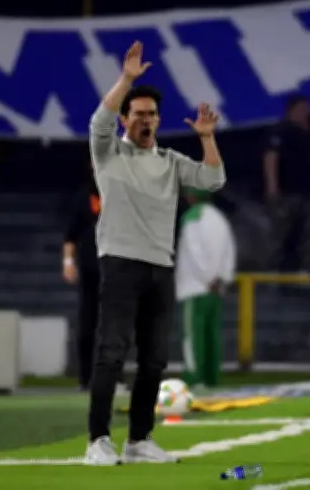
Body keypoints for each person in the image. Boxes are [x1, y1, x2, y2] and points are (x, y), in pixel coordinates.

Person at [85, 41, 226, 465]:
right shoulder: (109, 153)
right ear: (125, 119)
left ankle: (139, 440)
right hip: (120, 263)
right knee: (112, 353)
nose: (146, 120)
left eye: (151, 114)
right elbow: (98, 121)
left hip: (160, 268)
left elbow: (213, 179)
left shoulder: (171, 161)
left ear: (159, 120)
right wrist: (127, 79)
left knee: (154, 360)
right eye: (138, 113)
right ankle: (98, 441)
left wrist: (207, 138)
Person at [62, 163, 127, 394]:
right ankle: (85, 379)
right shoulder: (83, 199)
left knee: (115, 327)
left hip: (115, 271)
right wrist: (68, 262)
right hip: (90, 271)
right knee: (87, 326)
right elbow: (71, 235)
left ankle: (115, 377)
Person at [175, 188, 236, 389]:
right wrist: (222, 278)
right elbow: (229, 251)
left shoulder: (192, 218)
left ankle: (194, 378)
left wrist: (208, 277)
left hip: (195, 287)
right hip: (216, 289)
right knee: (212, 335)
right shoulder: (219, 218)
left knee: (193, 336)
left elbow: (194, 251)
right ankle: (212, 378)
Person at [263, 95, 310, 274]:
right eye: (302, 108)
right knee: (280, 235)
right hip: (286, 192)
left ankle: (302, 274)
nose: (305, 112)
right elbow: (271, 157)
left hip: (307, 192)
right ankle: (272, 275)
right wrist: (272, 185)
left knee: (307, 236)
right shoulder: (281, 130)